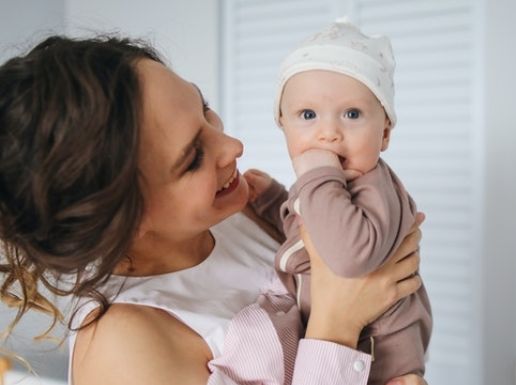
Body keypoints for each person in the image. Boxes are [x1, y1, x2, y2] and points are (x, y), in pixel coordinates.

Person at [0, 35, 427, 385]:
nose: (233, 147)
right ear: (120, 221)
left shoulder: (245, 212)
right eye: (192, 158)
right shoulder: (125, 349)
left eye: (204, 108)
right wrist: (336, 325)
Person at [244, 20, 432, 385]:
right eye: (308, 115)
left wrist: (315, 175)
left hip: (383, 360)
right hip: (343, 354)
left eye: (352, 114)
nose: (328, 133)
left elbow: (348, 255)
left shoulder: (372, 185)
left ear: (385, 133)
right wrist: (271, 200)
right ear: (282, 125)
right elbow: (309, 225)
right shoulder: (328, 188)